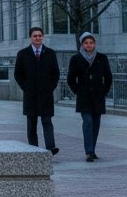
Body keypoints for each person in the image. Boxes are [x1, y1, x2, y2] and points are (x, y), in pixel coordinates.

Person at [66, 32, 113, 162]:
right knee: (87, 122)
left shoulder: (102, 58)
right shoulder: (76, 59)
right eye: (86, 43)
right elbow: (70, 78)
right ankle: (89, 151)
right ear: (82, 44)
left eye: (91, 43)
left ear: (95, 44)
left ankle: (93, 149)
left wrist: (104, 91)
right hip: (84, 97)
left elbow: (108, 77)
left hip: (98, 96)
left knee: (96, 124)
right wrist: (78, 91)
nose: (89, 45)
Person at [14, 26, 61, 155]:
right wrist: (26, 87)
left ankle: (50, 148)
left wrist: (50, 87)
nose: (38, 38)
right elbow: (18, 74)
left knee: (47, 122)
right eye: (35, 36)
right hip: (31, 95)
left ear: (42, 37)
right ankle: (33, 149)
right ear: (31, 38)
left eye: (40, 35)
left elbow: (55, 74)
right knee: (32, 124)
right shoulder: (22, 54)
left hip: (46, 95)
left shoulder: (50, 53)